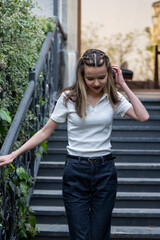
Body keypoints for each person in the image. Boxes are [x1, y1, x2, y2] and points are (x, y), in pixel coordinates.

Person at [0, 49, 149, 240]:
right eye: (90, 78)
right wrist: (14, 154)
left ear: (109, 74)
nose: (96, 83)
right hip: (76, 172)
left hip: (105, 171)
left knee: (99, 235)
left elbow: (143, 116)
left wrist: (123, 85)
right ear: (81, 75)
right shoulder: (69, 98)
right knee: (81, 236)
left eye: (102, 77)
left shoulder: (113, 97)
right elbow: (45, 131)